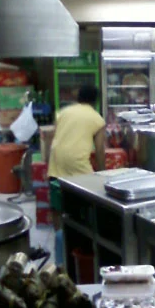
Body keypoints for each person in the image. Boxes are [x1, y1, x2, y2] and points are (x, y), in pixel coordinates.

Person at [47, 85, 106, 230]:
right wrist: (102, 173)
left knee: (57, 199)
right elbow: (99, 150)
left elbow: (52, 136)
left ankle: (59, 235)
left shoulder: (63, 112)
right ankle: (80, 230)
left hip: (56, 158)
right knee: (88, 196)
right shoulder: (97, 118)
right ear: (95, 101)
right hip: (76, 161)